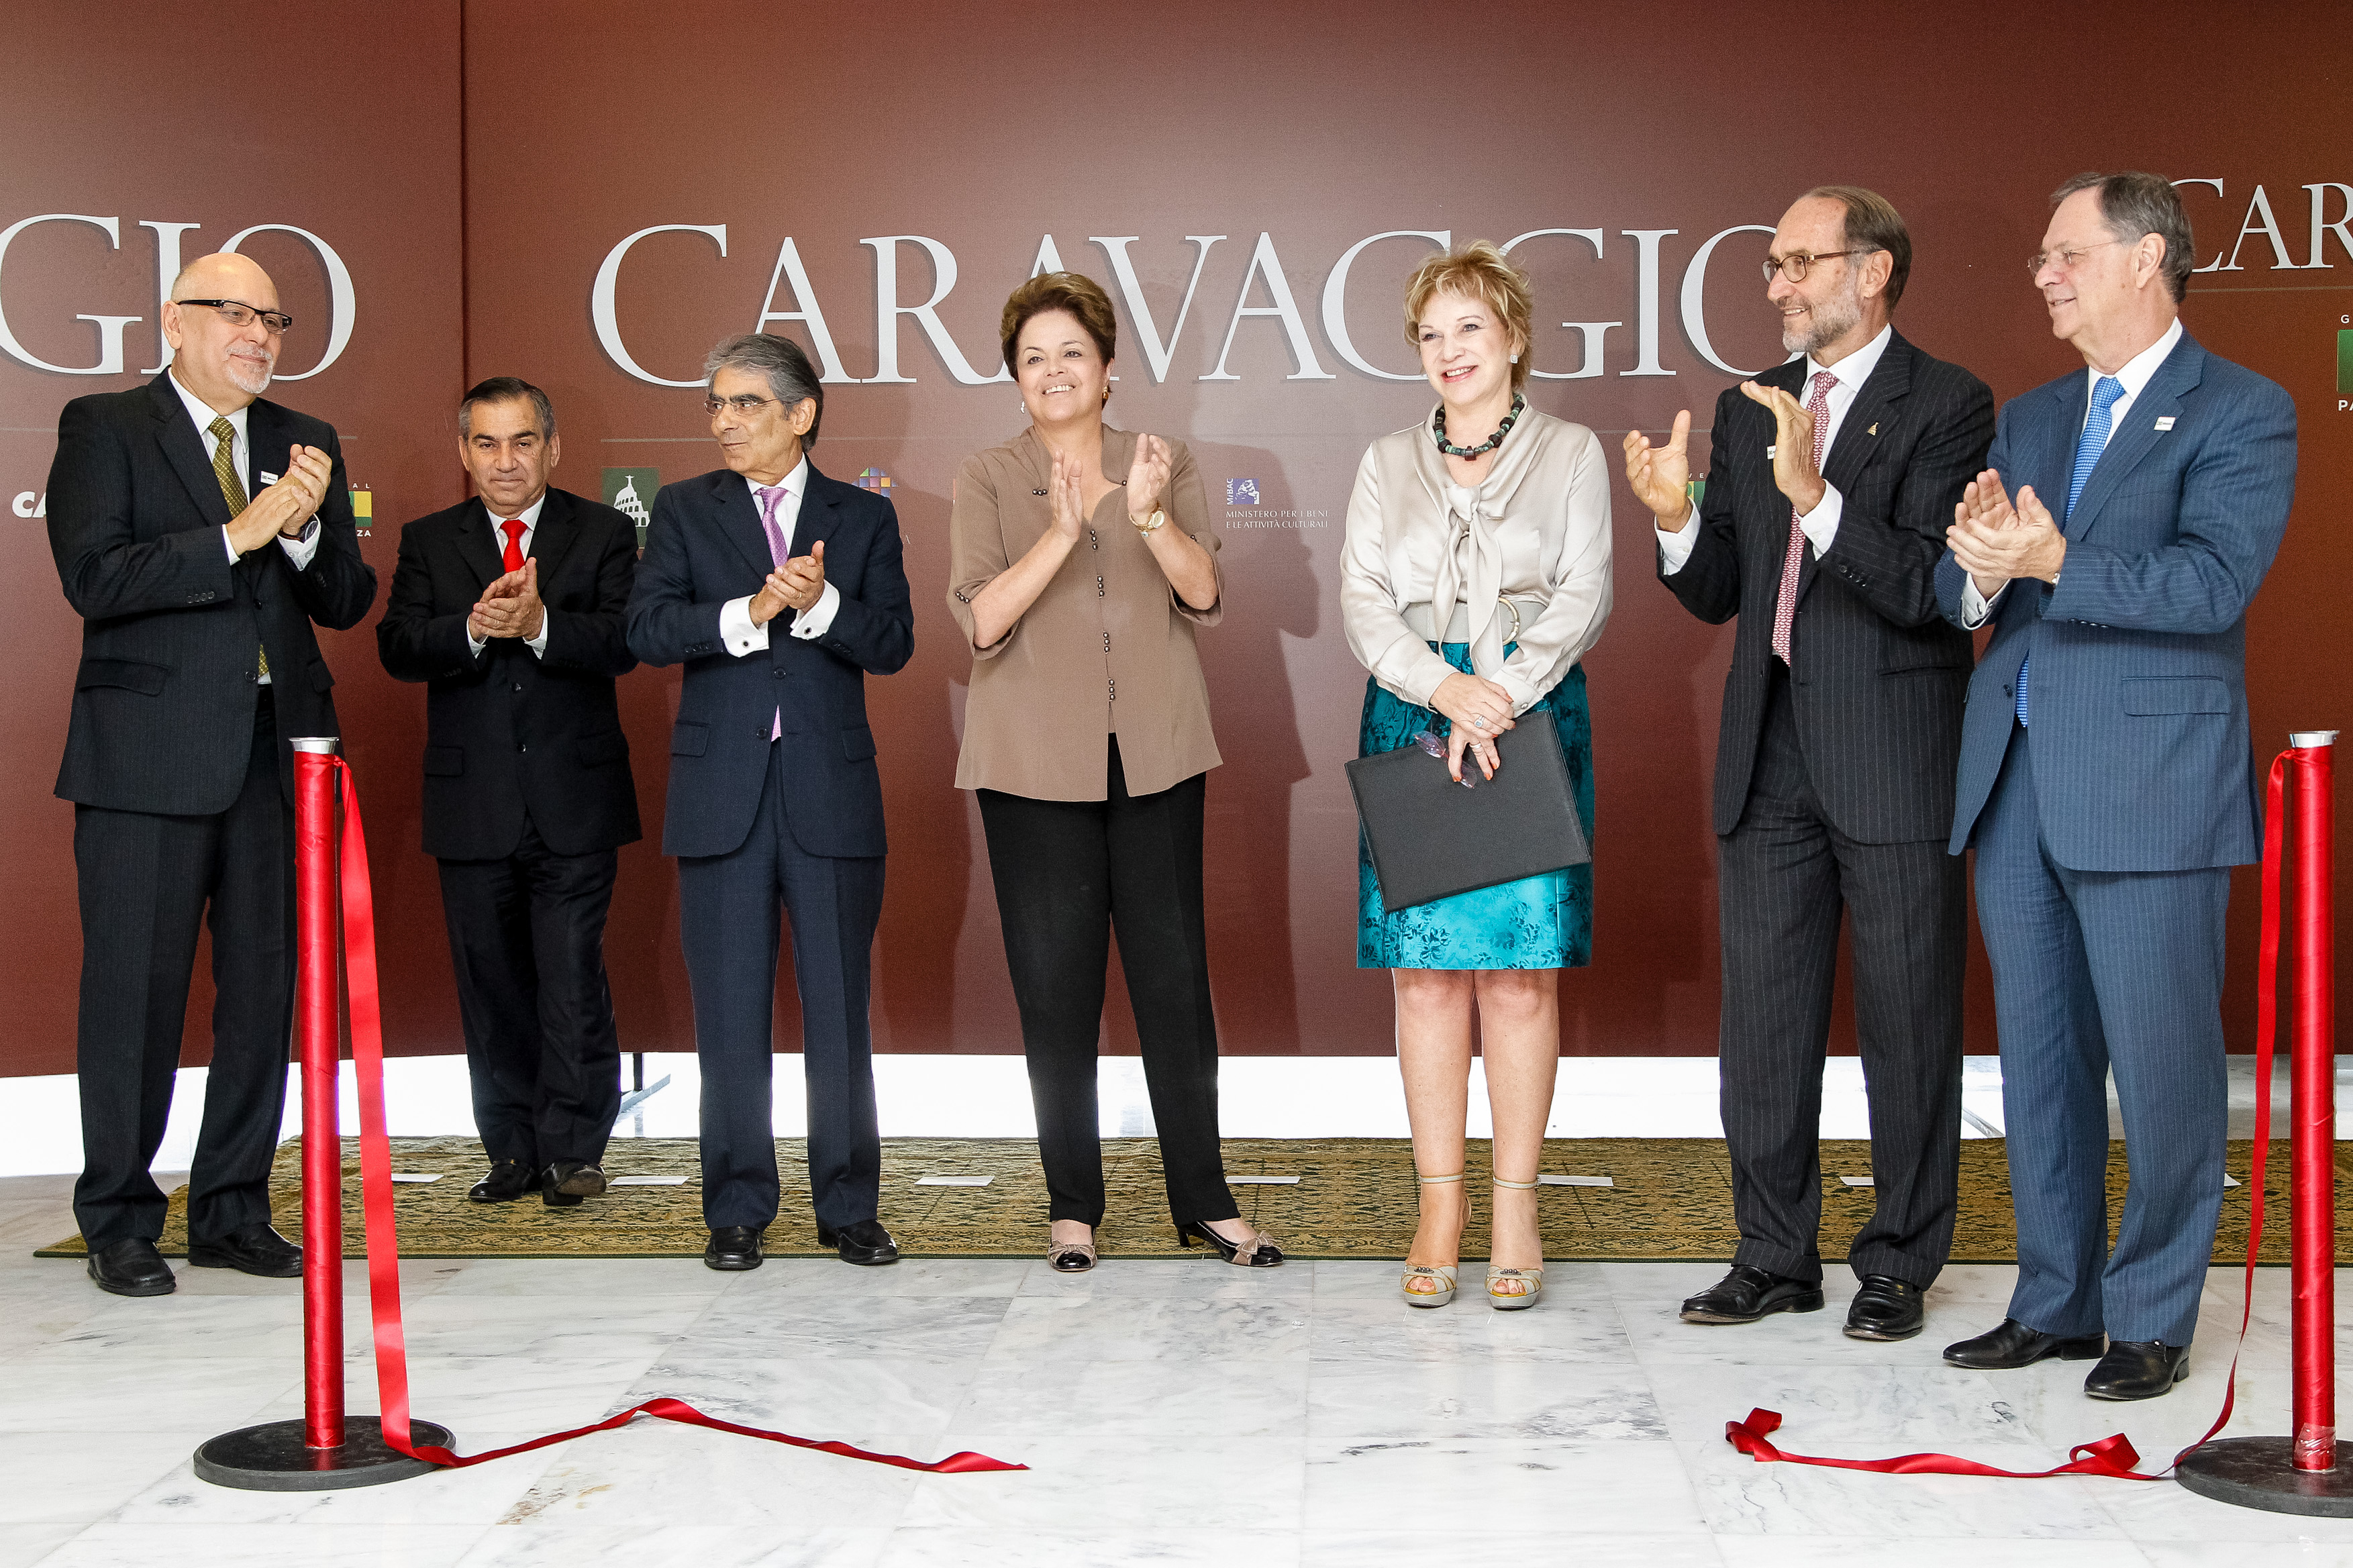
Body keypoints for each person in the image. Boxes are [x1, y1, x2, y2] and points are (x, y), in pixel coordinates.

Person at [1936, 172, 2296, 1400]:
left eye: (2065, 251)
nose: (2043, 272)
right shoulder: (2031, 416)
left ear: (2146, 258)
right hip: (2017, 777)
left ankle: (2151, 1315)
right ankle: (2056, 1301)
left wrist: (2055, 557)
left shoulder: (2242, 410)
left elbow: (2211, 588)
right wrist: (1983, 570)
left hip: (2151, 784)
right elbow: (1965, 594)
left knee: (2161, 1066)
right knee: (2038, 1061)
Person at [1624, 187, 1994, 1341]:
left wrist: (1818, 499)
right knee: (1767, 1025)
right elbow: (1722, 588)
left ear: (1870, 271)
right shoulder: (1752, 408)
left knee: (1908, 1021)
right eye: (1774, 265)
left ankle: (1897, 1261)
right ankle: (1773, 1253)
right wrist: (1675, 520)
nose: (1776, 283)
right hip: (1767, 748)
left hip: (1892, 753)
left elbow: (1928, 587)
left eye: (1797, 262)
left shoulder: (1947, 402)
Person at [46, 252, 377, 1296]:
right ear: (172, 322)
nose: (258, 333)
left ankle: (231, 1208)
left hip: (284, 759)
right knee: (134, 995)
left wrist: (311, 524)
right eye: (232, 312)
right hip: (147, 758)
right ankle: (119, 1218)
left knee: (264, 992)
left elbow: (345, 600)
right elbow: (93, 576)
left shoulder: (304, 440)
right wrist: (240, 532)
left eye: (271, 317)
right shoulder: (106, 428)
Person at [947, 272, 1278, 1271]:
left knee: (1175, 981)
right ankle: (1071, 1206)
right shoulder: (986, 477)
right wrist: (1057, 531)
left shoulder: (1160, 463)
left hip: (1158, 753)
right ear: (1014, 380)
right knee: (1055, 988)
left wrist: (1145, 518)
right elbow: (982, 618)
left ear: (1107, 371)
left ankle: (1205, 1200)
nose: (1053, 372)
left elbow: (1205, 590)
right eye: (1033, 358)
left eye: (1071, 355)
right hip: (1028, 765)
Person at [1340, 242, 1611, 1310]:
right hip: (1412, 710)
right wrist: (1438, 690)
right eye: (1430, 334)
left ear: (1511, 338)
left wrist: (1494, 691)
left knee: (1518, 974)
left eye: (1468, 328)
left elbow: (1583, 591)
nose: (1449, 351)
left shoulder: (1571, 450)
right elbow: (1364, 598)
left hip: (1529, 715)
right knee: (1422, 975)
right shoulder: (1381, 460)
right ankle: (1438, 1204)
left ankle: (1513, 1206)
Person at [625, 333, 914, 1271]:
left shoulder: (861, 517)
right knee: (730, 1015)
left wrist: (821, 605)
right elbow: (648, 628)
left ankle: (849, 1207)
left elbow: (894, 642)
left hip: (829, 795)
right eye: (715, 404)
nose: (724, 421)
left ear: (802, 414)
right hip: (721, 799)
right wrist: (747, 615)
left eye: (745, 403)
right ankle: (737, 1207)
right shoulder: (681, 508)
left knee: (838, 1013)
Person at [377, 377, 642, 1210]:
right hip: (472, 805)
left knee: (570, 977)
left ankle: (574, 1151)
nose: (504, 461)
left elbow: (625, 639)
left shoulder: (601, 530)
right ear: (464, 453)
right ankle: (511, 1152)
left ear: (551, 448)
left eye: (521, 442)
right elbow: (396, 644)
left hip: (575, 798)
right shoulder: (428, 540)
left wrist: (540, 628)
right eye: (486, 444)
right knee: (489, 985)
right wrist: (469, 630)